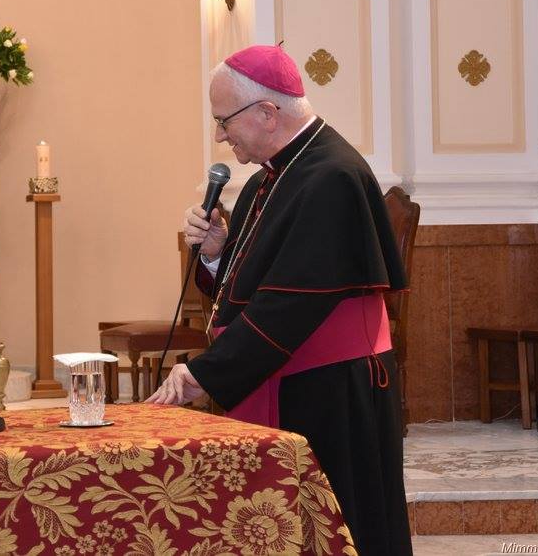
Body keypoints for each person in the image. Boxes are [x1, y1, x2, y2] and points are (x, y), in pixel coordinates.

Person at [146, 45, 412, 555]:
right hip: (289, 378)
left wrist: (204, 374)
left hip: (330, 393)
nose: (220, 136)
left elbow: (288, 308)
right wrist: (216, 255)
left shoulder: (333, 177)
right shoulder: (265, 181)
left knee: (334, 527)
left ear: (267, 113)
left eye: (224, 121)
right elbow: (253, 287)